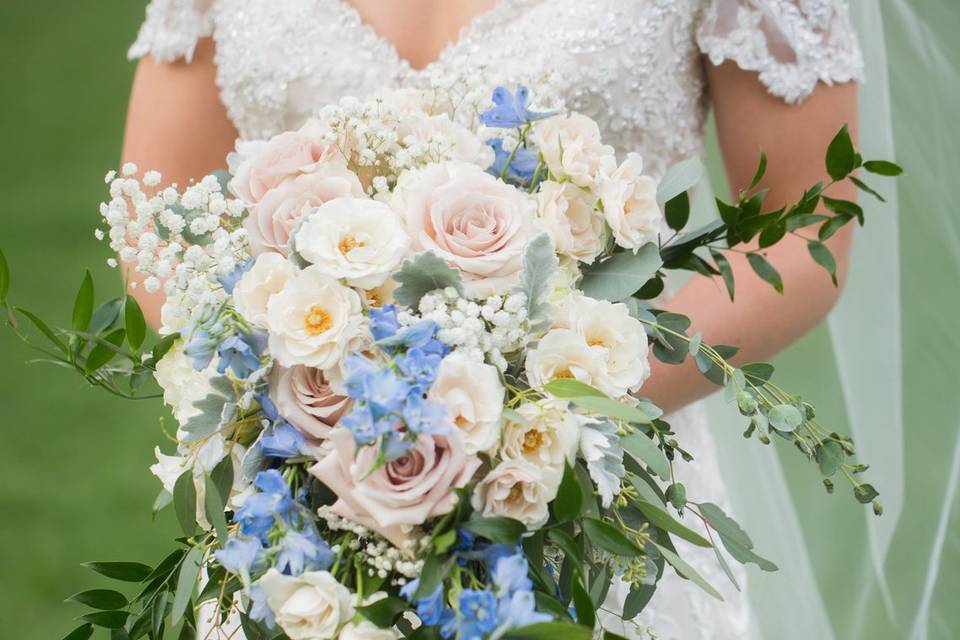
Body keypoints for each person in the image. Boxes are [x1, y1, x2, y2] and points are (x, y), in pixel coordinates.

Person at [122, 1, 863, 637]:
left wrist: (537, 413)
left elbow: (806, 223)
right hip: (308, 516)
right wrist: (300, 400)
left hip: (587, 491)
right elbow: (154, 220)